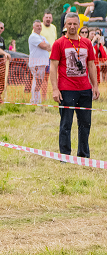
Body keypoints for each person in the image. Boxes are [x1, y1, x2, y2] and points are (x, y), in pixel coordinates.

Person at [50, 12, 99, 157]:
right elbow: (53, 67)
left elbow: (91, 65)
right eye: (69, 24)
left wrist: (95, 86)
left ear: (79, 25)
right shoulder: (58, 43)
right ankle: (65, 155)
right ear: (65, 25)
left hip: (85, 90)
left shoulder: (87, 43)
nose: (72, 26)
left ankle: (83, 155)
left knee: (85, 124)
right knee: (66, 124)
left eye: (75, 24)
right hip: (66, 90)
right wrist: (55, 89)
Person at [28, 20, 51, 104]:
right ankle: (35, 100)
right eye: (37, 26)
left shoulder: (42, 37)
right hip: (36, 63)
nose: (39, 27)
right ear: (33, 27)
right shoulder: (33, 36)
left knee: (39, 81)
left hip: (42, 63)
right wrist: (45, 46)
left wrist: (46, 46)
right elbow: (43, 45)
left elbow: (49, 47)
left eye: (40, 26)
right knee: (37, 81)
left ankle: (37, 100)